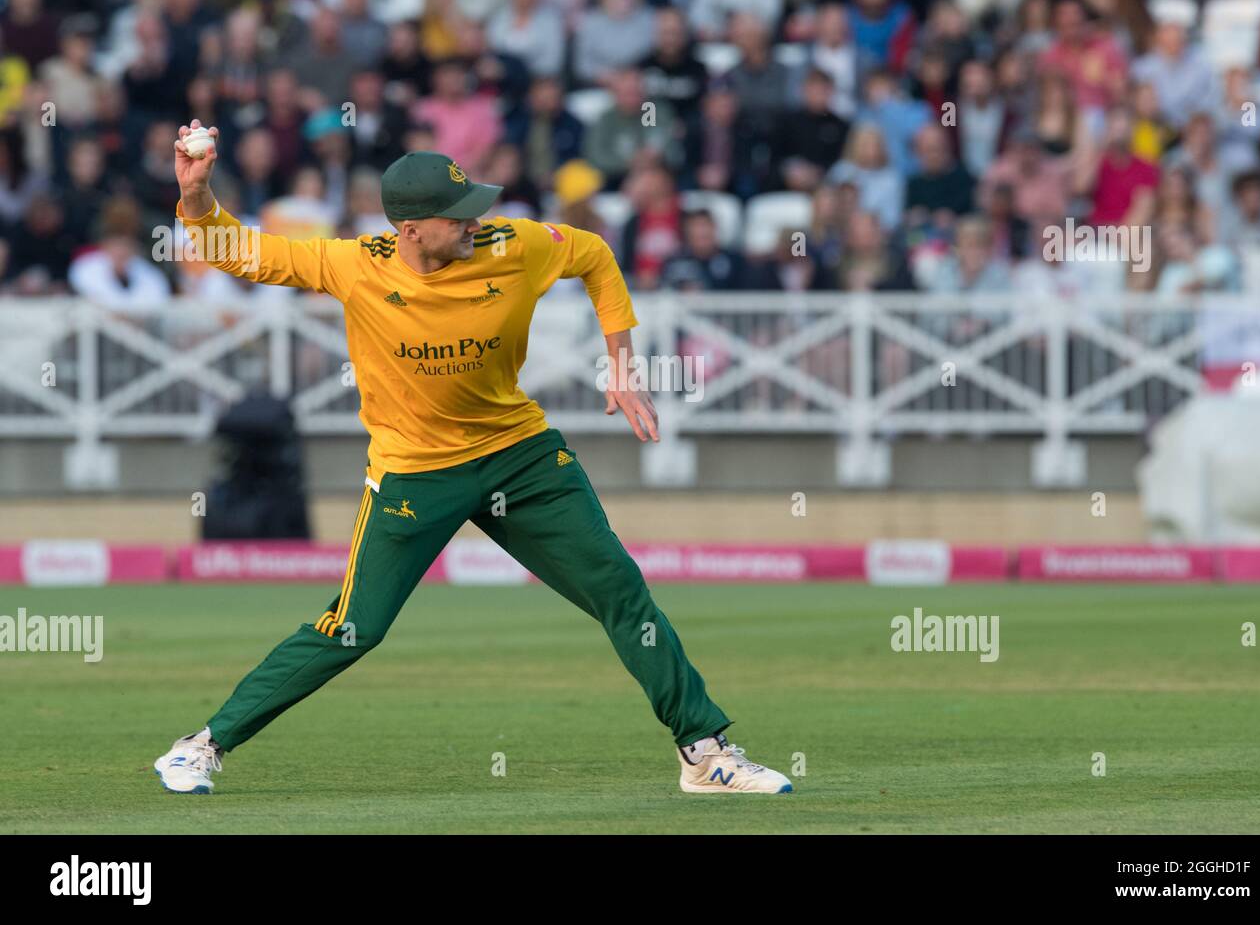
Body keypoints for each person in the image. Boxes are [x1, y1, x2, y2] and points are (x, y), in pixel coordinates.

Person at [154, 122, 792, 797]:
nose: (474, 221)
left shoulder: (514, 245)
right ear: (409, 229)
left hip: (519, 456)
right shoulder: (355, 264)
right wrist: (196, 195)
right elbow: (241, 253)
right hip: (414, 473)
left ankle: (705, 754)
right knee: (352, 631)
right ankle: (202, 745)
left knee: (620, 589)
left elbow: (596, 255)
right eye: (456, 215)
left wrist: (622, 364)